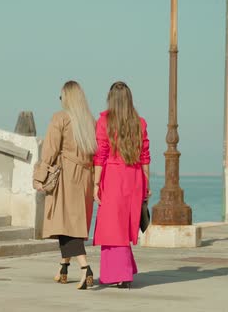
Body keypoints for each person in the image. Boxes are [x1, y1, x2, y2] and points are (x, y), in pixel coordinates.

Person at [33, 80, 97, 290]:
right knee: (73, 222)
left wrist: (40, 177)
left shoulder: (60, 118)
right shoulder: (90, 121)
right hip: (85, 176)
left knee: (66, 224)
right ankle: (63, 268)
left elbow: (50, 150)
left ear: (66, 98)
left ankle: (85, 268)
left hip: (67, 175)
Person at [92, 81, 151, 289]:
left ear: (111, 98)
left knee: (113, 228)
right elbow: (145, 156)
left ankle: (121, 274)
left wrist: (95, 183)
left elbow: (101, 154)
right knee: (124, 226)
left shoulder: (104, 121)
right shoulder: (140, 123)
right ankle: (122, 270)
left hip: (113, 176)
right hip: (134, 177)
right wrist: (146, 184)